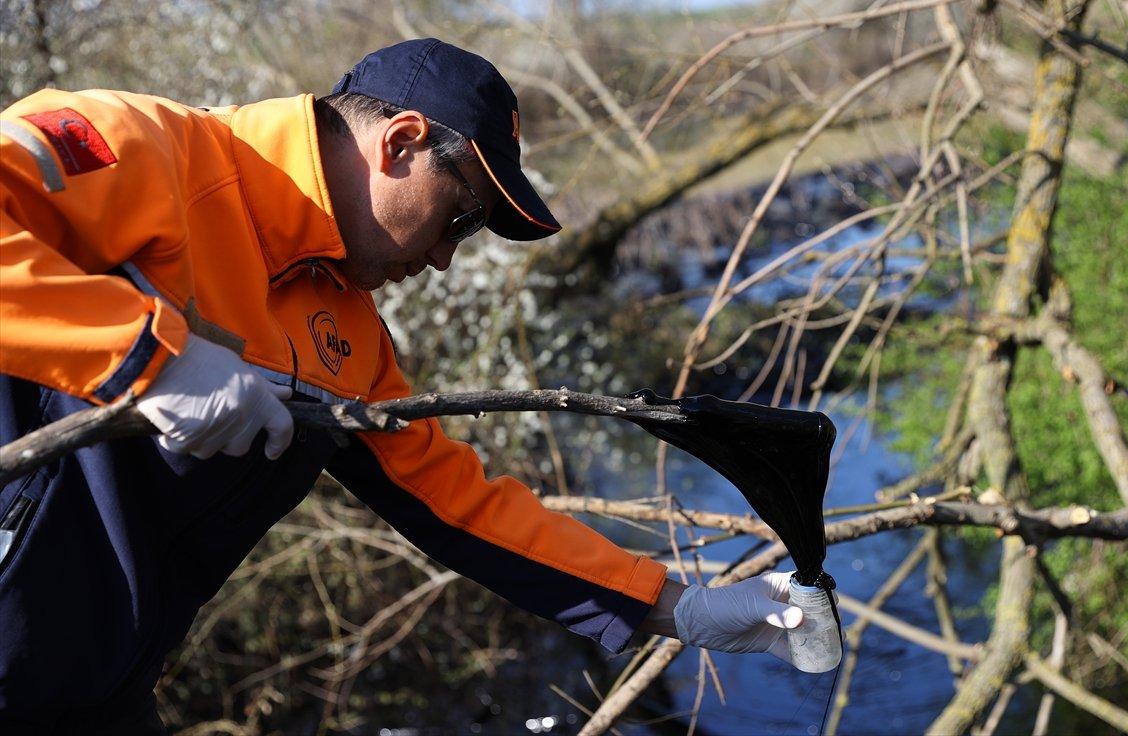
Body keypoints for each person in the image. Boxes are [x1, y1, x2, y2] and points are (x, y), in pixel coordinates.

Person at [0, 39, 805, 733]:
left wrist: (677, 606)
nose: (446, 257)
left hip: (89, 700)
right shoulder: (139, 148)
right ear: (402, 143)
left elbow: (461, 504)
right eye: (460, 217)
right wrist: (146, 355)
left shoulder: (349, 339)